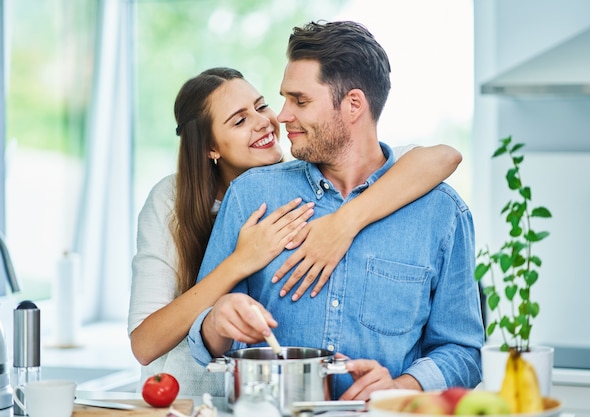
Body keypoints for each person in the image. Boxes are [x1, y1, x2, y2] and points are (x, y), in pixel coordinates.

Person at [188, 21, 484, 401]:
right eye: (284, 98)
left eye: (300, 100)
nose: (281, 116)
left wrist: (399, 388)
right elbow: (207, 341)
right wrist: (217, 320)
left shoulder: (442, 214)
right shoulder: (252, 195)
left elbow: (463, 351)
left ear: (353, 105)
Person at [128, 67, 462, 395]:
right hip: (188, 390)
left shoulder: (313, 166)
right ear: (209, 148)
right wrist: (241, 260)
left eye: (261, 106)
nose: (265, 121)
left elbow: (442, 157)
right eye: (240, 120)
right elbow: (144, 344)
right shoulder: (172, 202)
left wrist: (342, 224)